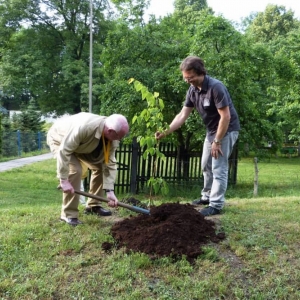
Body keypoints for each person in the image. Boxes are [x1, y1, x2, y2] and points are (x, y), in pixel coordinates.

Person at [155, 56, 240, 216]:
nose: (188, 81)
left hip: (226, 130)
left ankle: (216, 205)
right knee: (205, 165)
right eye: (185, 78)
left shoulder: (216, 88)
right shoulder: (193, 90)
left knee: (218, 167)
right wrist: (165, 131)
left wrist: (217, 141)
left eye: (191, 77)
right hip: (212, 131)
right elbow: (182, 115)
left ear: (201, 73)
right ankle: (206, 197)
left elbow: (226, 117)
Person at [47, 112, 129, 226]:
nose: (119, 139)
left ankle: (93, 205)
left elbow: (109, 162)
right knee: (75, 170)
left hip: (82, 147)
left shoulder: (112, 136)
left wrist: (110, 191)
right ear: (110, 131)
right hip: (60, 140)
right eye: (119, 136)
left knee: (100, 167)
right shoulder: (85, 127)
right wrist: (63, 180)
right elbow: (64, 150)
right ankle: (68, 215)